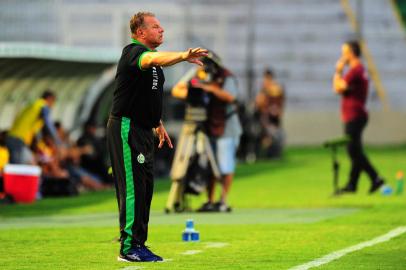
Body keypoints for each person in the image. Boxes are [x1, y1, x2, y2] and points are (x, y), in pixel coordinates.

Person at [106, 11, 207, 262]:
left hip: (143, 129)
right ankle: (128, 247)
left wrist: (157, 123)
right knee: (133, 188)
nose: (161, 30)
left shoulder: (154, 67)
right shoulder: (134, 53)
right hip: (126, 127)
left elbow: (145, 95)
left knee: (145, 189)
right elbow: (152, 60)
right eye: (155, 27)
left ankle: (139, 243)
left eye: (161, 26)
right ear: (141, 33)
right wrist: (184, 56)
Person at [172, 52, 242, 212]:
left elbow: (230, 97)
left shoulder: (226, 76)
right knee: (210, 165)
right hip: (208, 125)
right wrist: (193, 91)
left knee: (225, 166)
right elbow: (178, 90)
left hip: (227, 126)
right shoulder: (199, 74)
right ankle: (210, 200)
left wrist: (208, 88)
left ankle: (222, 201)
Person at [333, 40, 385, 194]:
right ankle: (352, 184)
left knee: (353, 151)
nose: (342, 56)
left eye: (344, 52)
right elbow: (342, 88)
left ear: (351, 53)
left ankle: (376, 178)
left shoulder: (355, 70)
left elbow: (337, 87)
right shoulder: (360, 70)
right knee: (355, 150)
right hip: (357, 114)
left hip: (354, 115)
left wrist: (338, 71)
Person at [6, 90, 60, 164]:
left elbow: (36, 130)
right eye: (53, 102)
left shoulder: (34, 104)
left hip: (14, 137)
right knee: (17, 165)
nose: (52, 105)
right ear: (49, 98)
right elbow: (48, 124)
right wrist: (58, 140)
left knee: (22, 162)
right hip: (18, 138)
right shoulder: (43, 106)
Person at [255, 68, 285, 158]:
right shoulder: (264, 89)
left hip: (273, 117)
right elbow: (258, 102)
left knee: (273, 135)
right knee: (266, 136)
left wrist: (265, 90)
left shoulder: (274, 88)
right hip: (265, 116)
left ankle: (274, 153)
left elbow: (276, 94)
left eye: (266, 78)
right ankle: (267, 153)